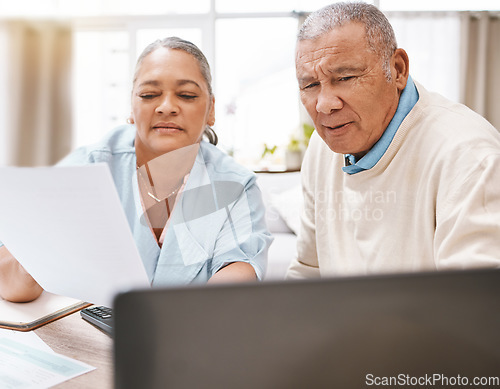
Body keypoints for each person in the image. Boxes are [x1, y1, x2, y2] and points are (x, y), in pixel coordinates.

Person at [0, 37, 272, 302]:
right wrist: (35, 258)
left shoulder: (237, 185)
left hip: (190, 335)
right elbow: (16, 278)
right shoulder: (89, 166)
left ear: (211, 109)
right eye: (149, 94)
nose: (167, 107)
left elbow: (238, 274)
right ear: (131, 106)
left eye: (186, 95)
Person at [287, 2, 500, 279]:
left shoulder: (468, 156)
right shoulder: (321, 147)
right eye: (310, 85)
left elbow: (473, 305)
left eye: (345, 77)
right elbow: (308, 271)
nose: (325, 105)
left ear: (397, 70)